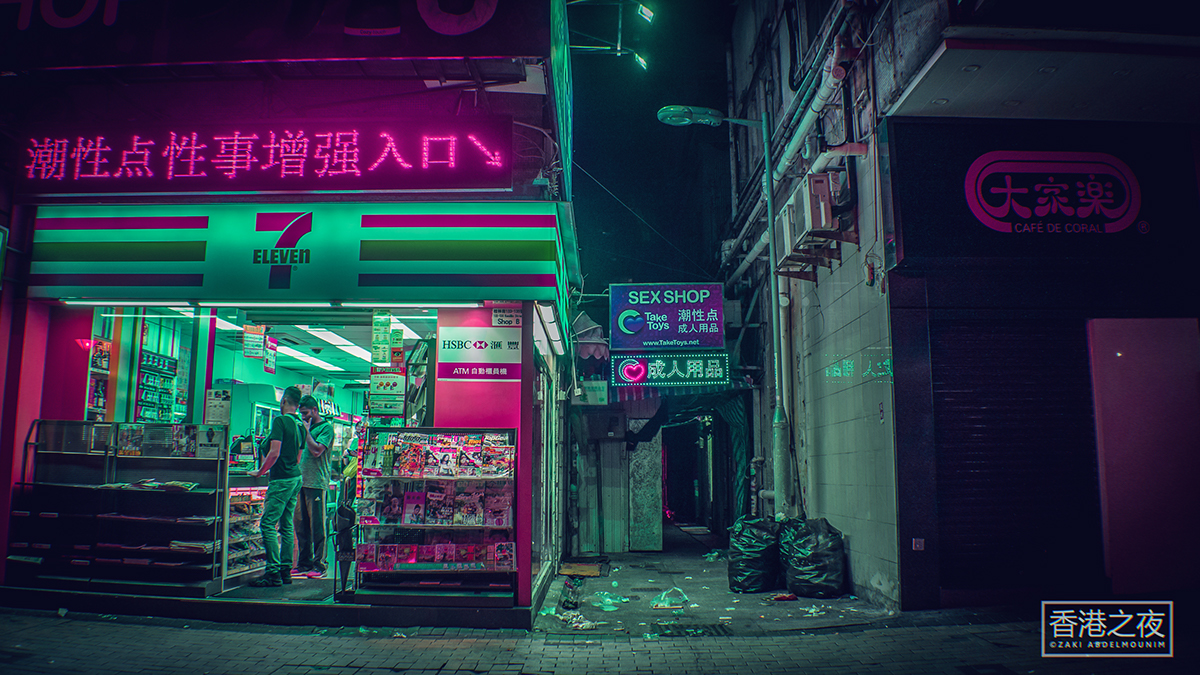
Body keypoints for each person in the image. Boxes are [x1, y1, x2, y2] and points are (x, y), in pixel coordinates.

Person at [249, 386, 309, 587]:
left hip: (281, 479)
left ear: (284, 401)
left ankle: (272, 572)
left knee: (267, 523)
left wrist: (260, 472)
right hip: (295, 477)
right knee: (287, 524)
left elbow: (274, 452)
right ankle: (285, 571)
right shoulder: (301, 426)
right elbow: (299, 457)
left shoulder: (280, 421)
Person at [292, 395, 336, 579]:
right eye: (301, 414)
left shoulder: (326, 428)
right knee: (301, 525)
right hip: (300, 481)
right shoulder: (303, 427)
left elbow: (317, 450)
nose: (304, 417)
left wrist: (307, 431)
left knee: (318, 525)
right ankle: (304, 563)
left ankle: (320, 565)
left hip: (317, 482)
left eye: (306, 413)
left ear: (315, 410)